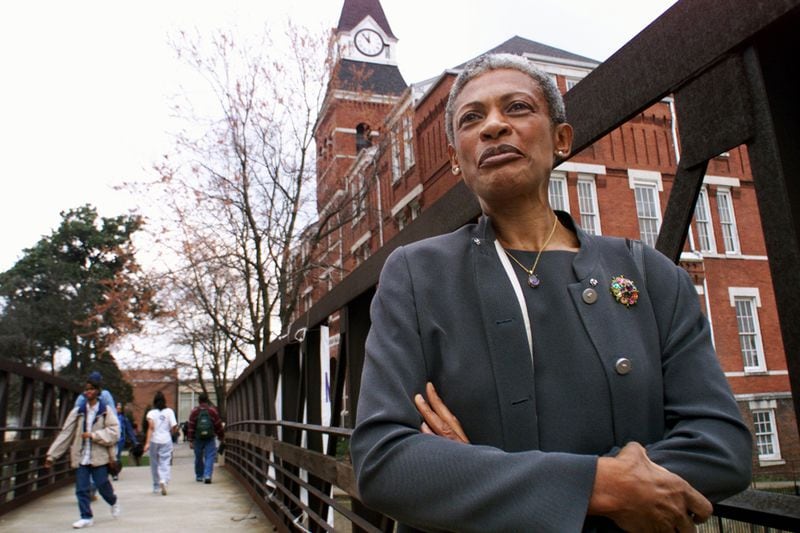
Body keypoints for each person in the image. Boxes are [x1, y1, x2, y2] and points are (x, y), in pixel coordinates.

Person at [350, 53, 753, 532]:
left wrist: (475, 476)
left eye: (517, 108)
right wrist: (603, 487)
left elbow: (722, 447)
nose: (493, 126)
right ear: (456, 159)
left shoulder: (649, 274)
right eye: (471, 118)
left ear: (561, 138)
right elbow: (383, 461)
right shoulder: (417, 276)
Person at [45, 373, 121, 529]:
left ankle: (113, 501)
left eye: (91, 389)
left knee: (102, 484)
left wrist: (94, 435)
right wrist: (52, 455)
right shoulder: (78, 411)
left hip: (99, 455)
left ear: (98, 391)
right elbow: (66, 433)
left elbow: (115, 432)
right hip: (81, 455)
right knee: (81, 488)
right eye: (86, 389)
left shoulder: (105, 410)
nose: (88, 392)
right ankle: (86, 516)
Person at [143, 391, 178, 495]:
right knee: (165, 461)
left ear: (154, 402)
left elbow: (151, 427)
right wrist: (173, 433)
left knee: (154, 463)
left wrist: (147, 443)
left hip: (154, 440)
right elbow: (174, 426)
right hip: (166, 439)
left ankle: (156, 486)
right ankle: (163, 480)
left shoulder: (151, 413)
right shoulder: (169, 412)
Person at [187, 392, 225, 483]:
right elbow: (218, 425)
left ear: (199, 401)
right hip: (210, 437)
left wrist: (191, 440)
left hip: (198, 438)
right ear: (207, 400)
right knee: (210, 456)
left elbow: (191, 426)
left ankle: (199, 476)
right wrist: (221, 436)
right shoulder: (212, 411)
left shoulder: (194, 412)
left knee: (198, 457)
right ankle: (207, 475)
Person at [113, 402, 138, 480]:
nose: (119, 409)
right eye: (117, 408)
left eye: (120, 408)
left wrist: (134, 441)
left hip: (120, 439)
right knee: (111, 456)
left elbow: (129, 430)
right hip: (112, 439)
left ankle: (115, 473)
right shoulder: (111, 416)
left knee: (117, 456)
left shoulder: (124, 418)